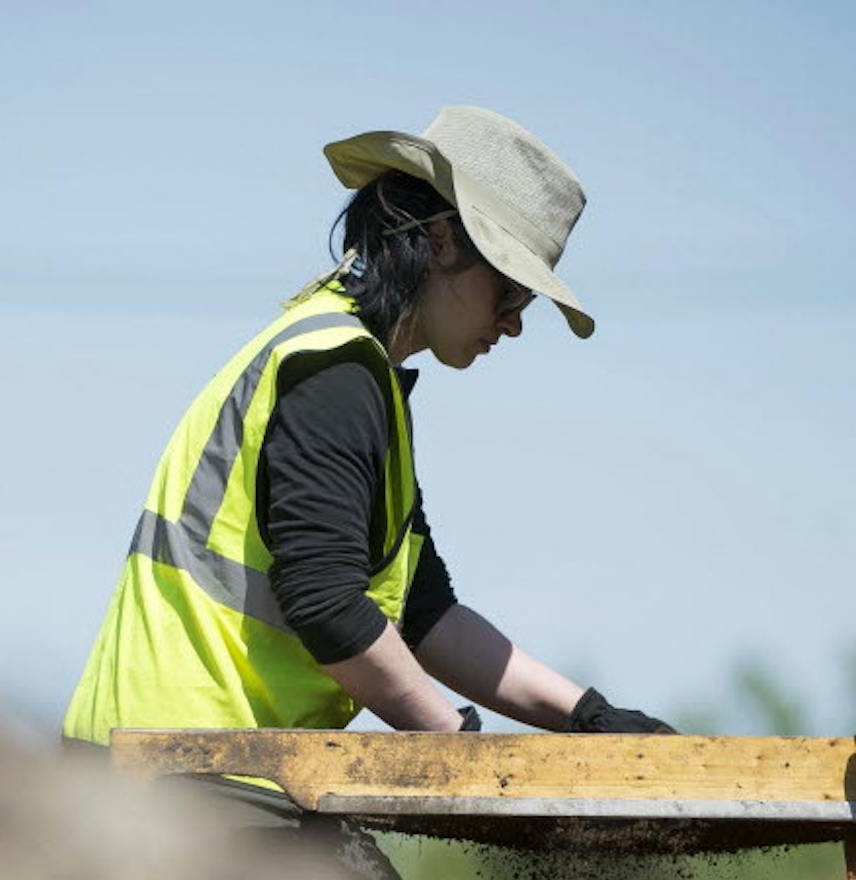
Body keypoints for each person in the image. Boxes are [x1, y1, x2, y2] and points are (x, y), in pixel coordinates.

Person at [63, 106, 674, 750]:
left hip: (205, 757)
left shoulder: (357, 371)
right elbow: (327, 603)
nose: (516, 322)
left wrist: (591, 717)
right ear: (442, 240)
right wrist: (453, 746)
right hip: (181, 769)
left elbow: (423, 614)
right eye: (512, 291)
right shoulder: (335, 371)